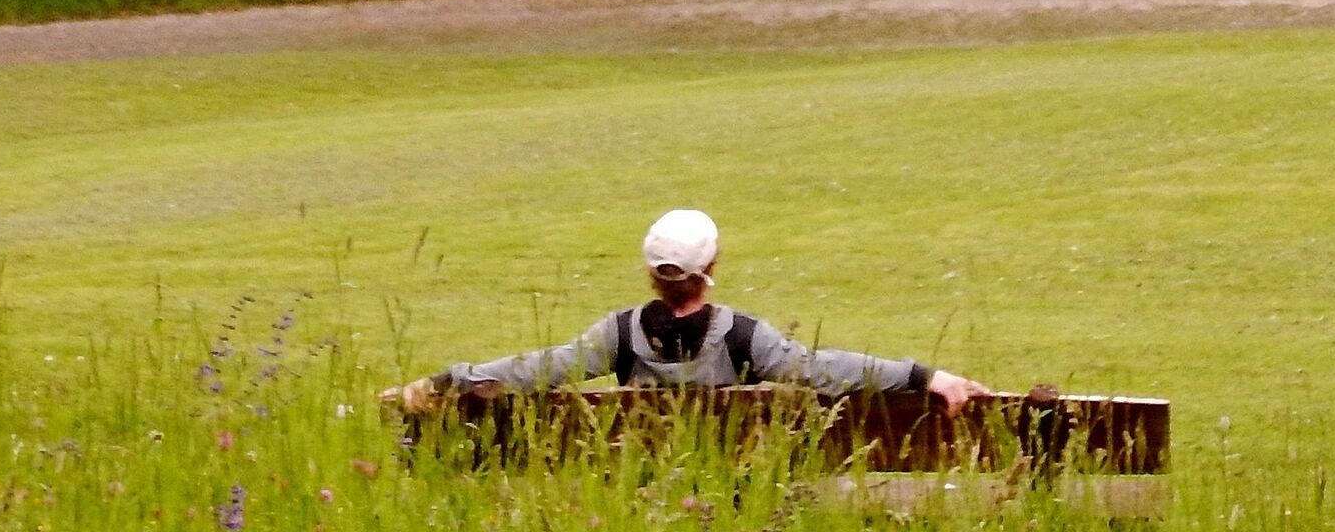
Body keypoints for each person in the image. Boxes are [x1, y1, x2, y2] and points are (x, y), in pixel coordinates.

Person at [399, 208, 983, 411]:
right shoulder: (743, 338)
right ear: (713, 267)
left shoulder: (620, 334)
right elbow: (825, 369)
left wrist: (449, 381)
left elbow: (539, 368)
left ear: (652, 274)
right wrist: (924, 375)